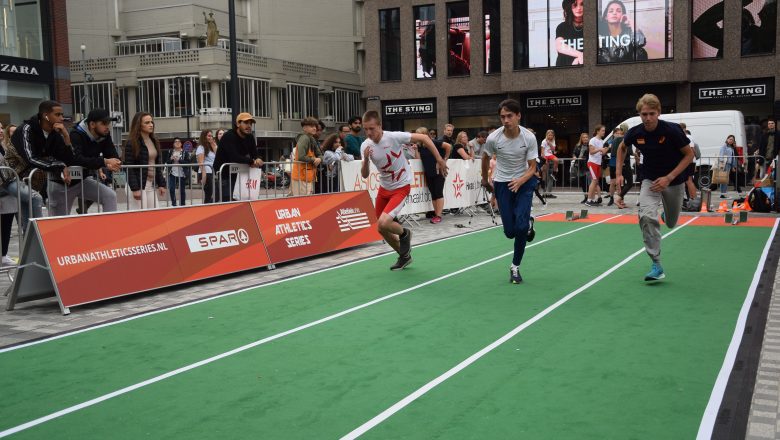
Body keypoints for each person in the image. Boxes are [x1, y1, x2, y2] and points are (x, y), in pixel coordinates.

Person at [616, 93, 694, 282]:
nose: (648, 118)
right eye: (644, 114)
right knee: (646, 217)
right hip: (649, 180)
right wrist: (618, 173)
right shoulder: (635, 132)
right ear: (639, 114)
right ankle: (656, 264)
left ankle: (667, 214)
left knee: (671, 223)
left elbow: (689, 155)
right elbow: (622, 148)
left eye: (651, 113)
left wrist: (669, 177)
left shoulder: (672, 130)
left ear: (658, 112)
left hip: (673, 181)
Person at [360, 110, 448, 270]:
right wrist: (365, 159)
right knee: (381, 228)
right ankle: (404, 256)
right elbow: (364, 175)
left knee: (384, 222)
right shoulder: (365, 145)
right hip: (384, 188)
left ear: (380, 126)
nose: (368, 133)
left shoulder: (392, 137)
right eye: (365, 129)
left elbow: (424, 138)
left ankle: (405, 233)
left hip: (401, 186)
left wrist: (440, 159)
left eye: (371, 128)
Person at [480, 99, 539, 284]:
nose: (506, 120)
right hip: (502, 183)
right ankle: (527, 222)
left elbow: (532, 167)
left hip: (524, 182)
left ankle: (515, 267)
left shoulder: (528, 137)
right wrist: (485, 180)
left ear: (518, 116)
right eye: (502, 117)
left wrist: (521, 180)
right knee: (510, 232)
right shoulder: (493, 138)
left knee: (520, 228)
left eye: (509, 116)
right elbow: (484, 157)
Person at [69, 109, 123, 214]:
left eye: (108, 123)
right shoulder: (75, 134)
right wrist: (105, 162)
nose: (107, 126)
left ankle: (110, 229)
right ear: (92, 124)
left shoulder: (104, 135)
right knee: (60, 218)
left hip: (83, 180)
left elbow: (112, 155)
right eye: (104, 123)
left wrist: (115, 163)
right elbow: (78, 160)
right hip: (64, 181)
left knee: (110, 196)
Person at [213, 113, 263, 202]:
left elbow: (255, 153)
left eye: (250, 123)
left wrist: (258, 159)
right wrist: (251, 161)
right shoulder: (228, 136)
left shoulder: (250, 137)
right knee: (226, 204)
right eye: (246, 122)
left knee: (241, 203)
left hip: (240, 175)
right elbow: (234, 156)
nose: (249, 126)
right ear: (238, 124)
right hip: (225, 175)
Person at [124, 112, 167, 209]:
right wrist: (135, 189)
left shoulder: (154, 140)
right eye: (147, 123)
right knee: (140, 219)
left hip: (149, 185)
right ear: (139, 125)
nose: (151, 125)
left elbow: (157, 164)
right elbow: (129, 167)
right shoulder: (132, 142)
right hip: (137, 185)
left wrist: (161, 184)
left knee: (155, 215)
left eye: (151, 122)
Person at [416, 126, 451, 223]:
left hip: (439, 171)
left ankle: (439, 215)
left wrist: (443, 161)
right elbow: (418, 159)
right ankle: (436, 214)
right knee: (433, 194)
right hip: (428, 172)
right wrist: (415, 149)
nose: (417, 136)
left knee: (438, 193)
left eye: (419, 134)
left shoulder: (433, 142)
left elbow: (448, 146)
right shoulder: (420, 146)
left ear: (424, 134)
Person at [291, 117, 322, 196]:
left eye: (315, 126)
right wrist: (315, 159)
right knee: (302, 201)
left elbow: (320, 154)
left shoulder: (311, 138)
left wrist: (319, 159)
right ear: (304, 128)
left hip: (307, 176)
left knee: (305, 200)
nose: (314, 128)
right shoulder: (304, 138)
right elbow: (301, 157)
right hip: (301, 176)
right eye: (312, 126)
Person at [585, 124, 609, 206]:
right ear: (598, 131)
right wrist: (600, 149)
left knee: (595, 182)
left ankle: (592, 199)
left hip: (598, 163)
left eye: (604, 130)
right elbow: (591, 152)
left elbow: (602, 154)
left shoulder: (601, 141)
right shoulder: (593, 140)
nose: (604, 132)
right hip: (592, 163)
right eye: (602, 130)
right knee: (594, 181)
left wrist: (607, 148)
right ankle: (588, 200)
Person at [555, 0, 584, 66]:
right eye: (575, 5)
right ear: (569, 7)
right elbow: (559, 46)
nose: (579, 8)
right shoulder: (562, 27)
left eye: (582, 4)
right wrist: (580, 55)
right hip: (564, 69)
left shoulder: (591, 26)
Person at [164, 137, 188, 206]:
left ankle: (182, 204)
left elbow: (187, 163)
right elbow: (167, 162)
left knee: (182, 190)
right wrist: (171, 159)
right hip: (172, 173)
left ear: (181, 144)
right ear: (173, 144)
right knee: (171, 189)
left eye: (179, 141)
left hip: (182, 174)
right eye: (175, 142)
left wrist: (179, 160)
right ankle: (174, 203)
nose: (177, 143)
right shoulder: (170, 152)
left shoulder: (184, 153)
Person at [196, 129, 217, 204]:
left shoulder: (211, 146)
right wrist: (203, 176)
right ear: (204, 136)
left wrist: (213, 145)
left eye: (211, 136)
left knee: (214, 194)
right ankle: (206, 209)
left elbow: (218, 156)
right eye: (209, 136)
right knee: (209, 194)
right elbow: (201, 163)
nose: (210, 137)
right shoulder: (201, 147)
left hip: (212, 172)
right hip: (206, 172)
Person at [572, 132, 589, 203]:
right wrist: (575, 157)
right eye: (583, 137)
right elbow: (573, 153)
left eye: (586, 137)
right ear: (581, 139)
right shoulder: (577, 146)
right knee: (583, 183)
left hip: (587, 165)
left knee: (588, 182)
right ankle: (586, 197)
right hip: (579, 165)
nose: (585, 138)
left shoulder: (590, 146)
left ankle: (590, 197)